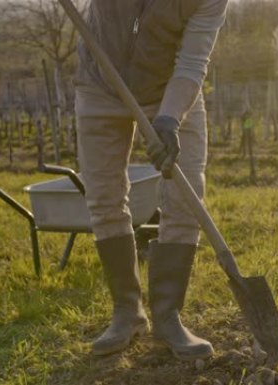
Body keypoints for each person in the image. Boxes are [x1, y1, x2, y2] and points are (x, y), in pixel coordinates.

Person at [74, 0, 229, 361]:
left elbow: (192, 62)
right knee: (104, 197)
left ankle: (168, 315)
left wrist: (170, 118)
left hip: (168, 91)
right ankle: (127, 313)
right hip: (100, 82)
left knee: (185, 197)